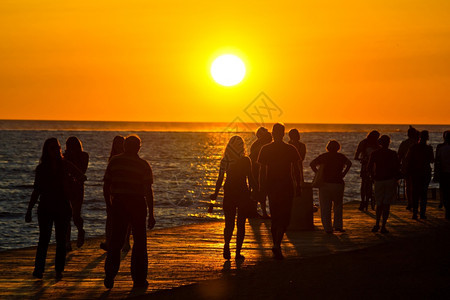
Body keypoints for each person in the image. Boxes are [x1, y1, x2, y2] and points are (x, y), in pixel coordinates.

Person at [25, 138, 86, 280]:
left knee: (60, 241)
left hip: (63, 206)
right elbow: (36, 190)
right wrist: (29, 210)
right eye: (52, 148)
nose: (55, 150)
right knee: (43, 239)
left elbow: (82, 177)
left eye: (57, 147)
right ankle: (38, 270)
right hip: (45, 206)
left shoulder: (65, 165)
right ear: (46, 150)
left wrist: (71, 184)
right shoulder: (41, 169)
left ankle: (59, 270)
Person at [103, 135, 155, 289]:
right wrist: (151, 214)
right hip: (137, 204)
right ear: (139, 147)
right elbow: (148, 191)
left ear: (125, 146)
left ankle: (110, 275)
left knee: (115, 241)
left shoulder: (115, 162)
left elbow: (106, 185)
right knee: (139, 243)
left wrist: (109, 205)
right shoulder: (143, 165)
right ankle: (139, 279)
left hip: (119, 203)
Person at [258, 123, 301, 260]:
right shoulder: (290, 149)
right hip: (285, 186)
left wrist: (261, 187)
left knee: (275, 216)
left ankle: (276, 243)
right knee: (284, 216)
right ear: (283, 133)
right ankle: (277, 243)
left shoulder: (266, 149)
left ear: (272, 133)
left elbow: (261, 172)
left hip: (272, 186)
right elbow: (297, 170)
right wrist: (298, 185)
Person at [210, 136, 255, 260]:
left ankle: (226, 245)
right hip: (242, 194)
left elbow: (220, 179)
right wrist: (254, 193)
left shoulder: (225, 160)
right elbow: (250, 179)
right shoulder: (246, 160)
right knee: (241, 224)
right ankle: (238, 253)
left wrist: (215, 194)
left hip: (229, 193)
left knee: (228, 223)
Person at [310, 140, 352, 234]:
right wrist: (343, 173)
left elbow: (312, 164)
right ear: (338, 148)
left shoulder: (324, 156)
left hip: (325, 183)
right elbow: (349, 164)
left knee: (325, 207)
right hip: (338, 183)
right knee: (338, 206)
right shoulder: (341, 157)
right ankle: (338, 226)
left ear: (328, 147)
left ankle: (328, 228)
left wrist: (318, 173)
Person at [100, 135, 132, 252]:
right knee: (110, 216)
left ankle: (126, 241)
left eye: (121, 143)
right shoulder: (113, 159)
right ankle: (109, 240)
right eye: (117, 144)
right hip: (114, 191)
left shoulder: (128, 157)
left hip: (125, 191)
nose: (119, 146)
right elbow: (108, 179)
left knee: (127, 218)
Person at [367, 135, 400, 234]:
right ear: (389, 142)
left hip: (378, 179)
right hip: (390, 179)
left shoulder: (375, 153)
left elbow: (369, 167)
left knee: (379, 203)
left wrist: (372, 177)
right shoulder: (393, 153)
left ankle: (377, 223)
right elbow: (397, 167)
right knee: (386, 204)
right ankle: (383, 226)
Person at [63, 136, 89, 251]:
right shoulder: (64, 157)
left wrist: (73, 158)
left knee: (76, 215)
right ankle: (67, 242)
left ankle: (80, 231)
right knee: (66, 216)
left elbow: (82, 171)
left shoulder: (84, 156)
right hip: (66, 188)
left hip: (78, 188)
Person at [406, 130, 434, 220]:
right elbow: (432, 160)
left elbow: (408, 160)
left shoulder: (413, 147)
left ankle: (415, 212)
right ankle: (422, 213)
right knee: (423, 193)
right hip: (425, 172)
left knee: (415, 193)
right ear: (427, 138)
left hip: (415, 173)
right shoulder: (429, 148)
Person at [354, 130, 380, 211]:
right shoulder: (364, 143)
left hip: (374, 166)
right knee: (364, 183)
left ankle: (366, 200)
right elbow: (357, 154)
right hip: (366, 165)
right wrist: (361, 159)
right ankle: (363, 201)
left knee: (370, 183)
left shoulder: (376, 143)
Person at [249, 127, 271, 218]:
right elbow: (253, 158)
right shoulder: (258, 145)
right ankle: (257, 212)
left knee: (261, 191)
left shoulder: (262, 144)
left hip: (261, 170)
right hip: (257, 171)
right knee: (258, 191)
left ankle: (260, 212)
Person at [398, 126, 419, 210]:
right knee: (416, 186)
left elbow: (399, 156)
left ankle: (410, 202)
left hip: (407, 167)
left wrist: (398, 166)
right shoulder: (417, 144)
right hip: (417, 168)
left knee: (408, 186)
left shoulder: (404, 143)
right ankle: (414, 202)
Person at [434, 131, 450, 219]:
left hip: (444, 173)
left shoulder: (442, 149)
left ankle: (447, 209)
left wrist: (436, 173)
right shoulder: (442, 148)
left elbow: (438, 161)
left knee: (445, 192)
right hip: (445, 172)